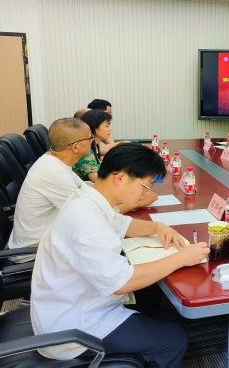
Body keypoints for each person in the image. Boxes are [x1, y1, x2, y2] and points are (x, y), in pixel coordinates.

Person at [31, 143, 209, 366]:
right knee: (174, 339)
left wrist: (158, 227)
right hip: (74, 329)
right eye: (145, 186)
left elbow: (121, 224)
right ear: (120, 178)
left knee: (149, 295)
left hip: (72, 305)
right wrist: (181, 258)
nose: (146, 193)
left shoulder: (90, 199)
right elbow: (121, 282)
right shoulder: (86, 220)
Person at [8, 118, 156, 261]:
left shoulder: (56, 163)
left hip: (52, 241)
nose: (93, 141)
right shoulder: (54, 173)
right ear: (76, 147)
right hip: (35, 253)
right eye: (90, 138)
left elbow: (90, 194)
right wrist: (134, 203)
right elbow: (92, 214)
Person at [73, 110, 113, 182]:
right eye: (107, 126)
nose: (110, 129)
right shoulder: (86, 151)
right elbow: (97, 180)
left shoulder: (93, 146)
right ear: (94, 127)